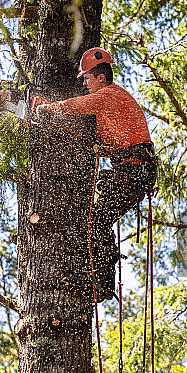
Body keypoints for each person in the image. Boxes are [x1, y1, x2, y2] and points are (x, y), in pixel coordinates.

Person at [31, 47, 157, 301]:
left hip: (136, 167)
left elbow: (79, 105)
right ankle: (100, 278)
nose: (85, 84)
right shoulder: (111, 108)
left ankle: (102, 282)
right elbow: (102, 137)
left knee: (98, 219)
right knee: (100, 218)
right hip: (132, 167)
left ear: (101, 77)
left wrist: (48, 110)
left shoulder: (109, 95)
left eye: (87, 78)